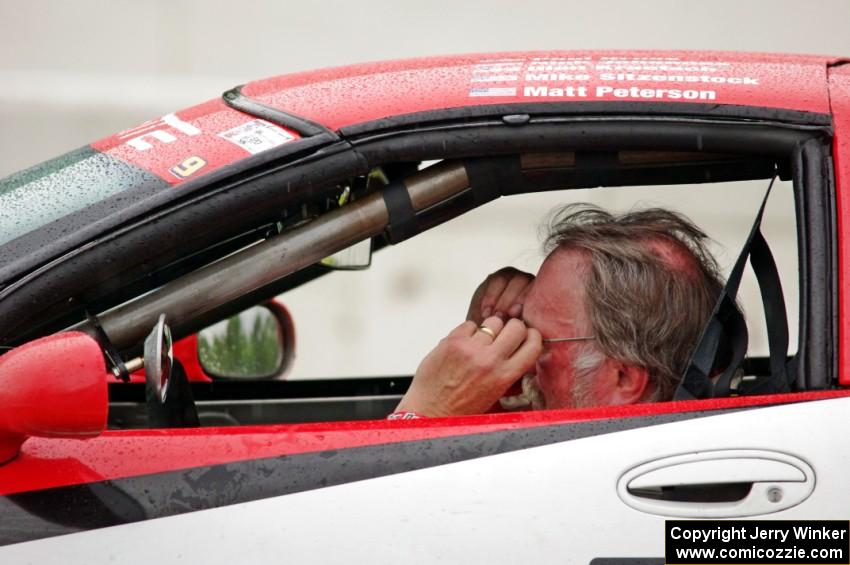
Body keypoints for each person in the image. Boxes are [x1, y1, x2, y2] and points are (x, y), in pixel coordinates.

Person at [392, 204, 728, 418]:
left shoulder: (583, 479)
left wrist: (428, 411)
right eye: (519, 330)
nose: (518, 352)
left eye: (539, 342)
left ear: (623, 379)